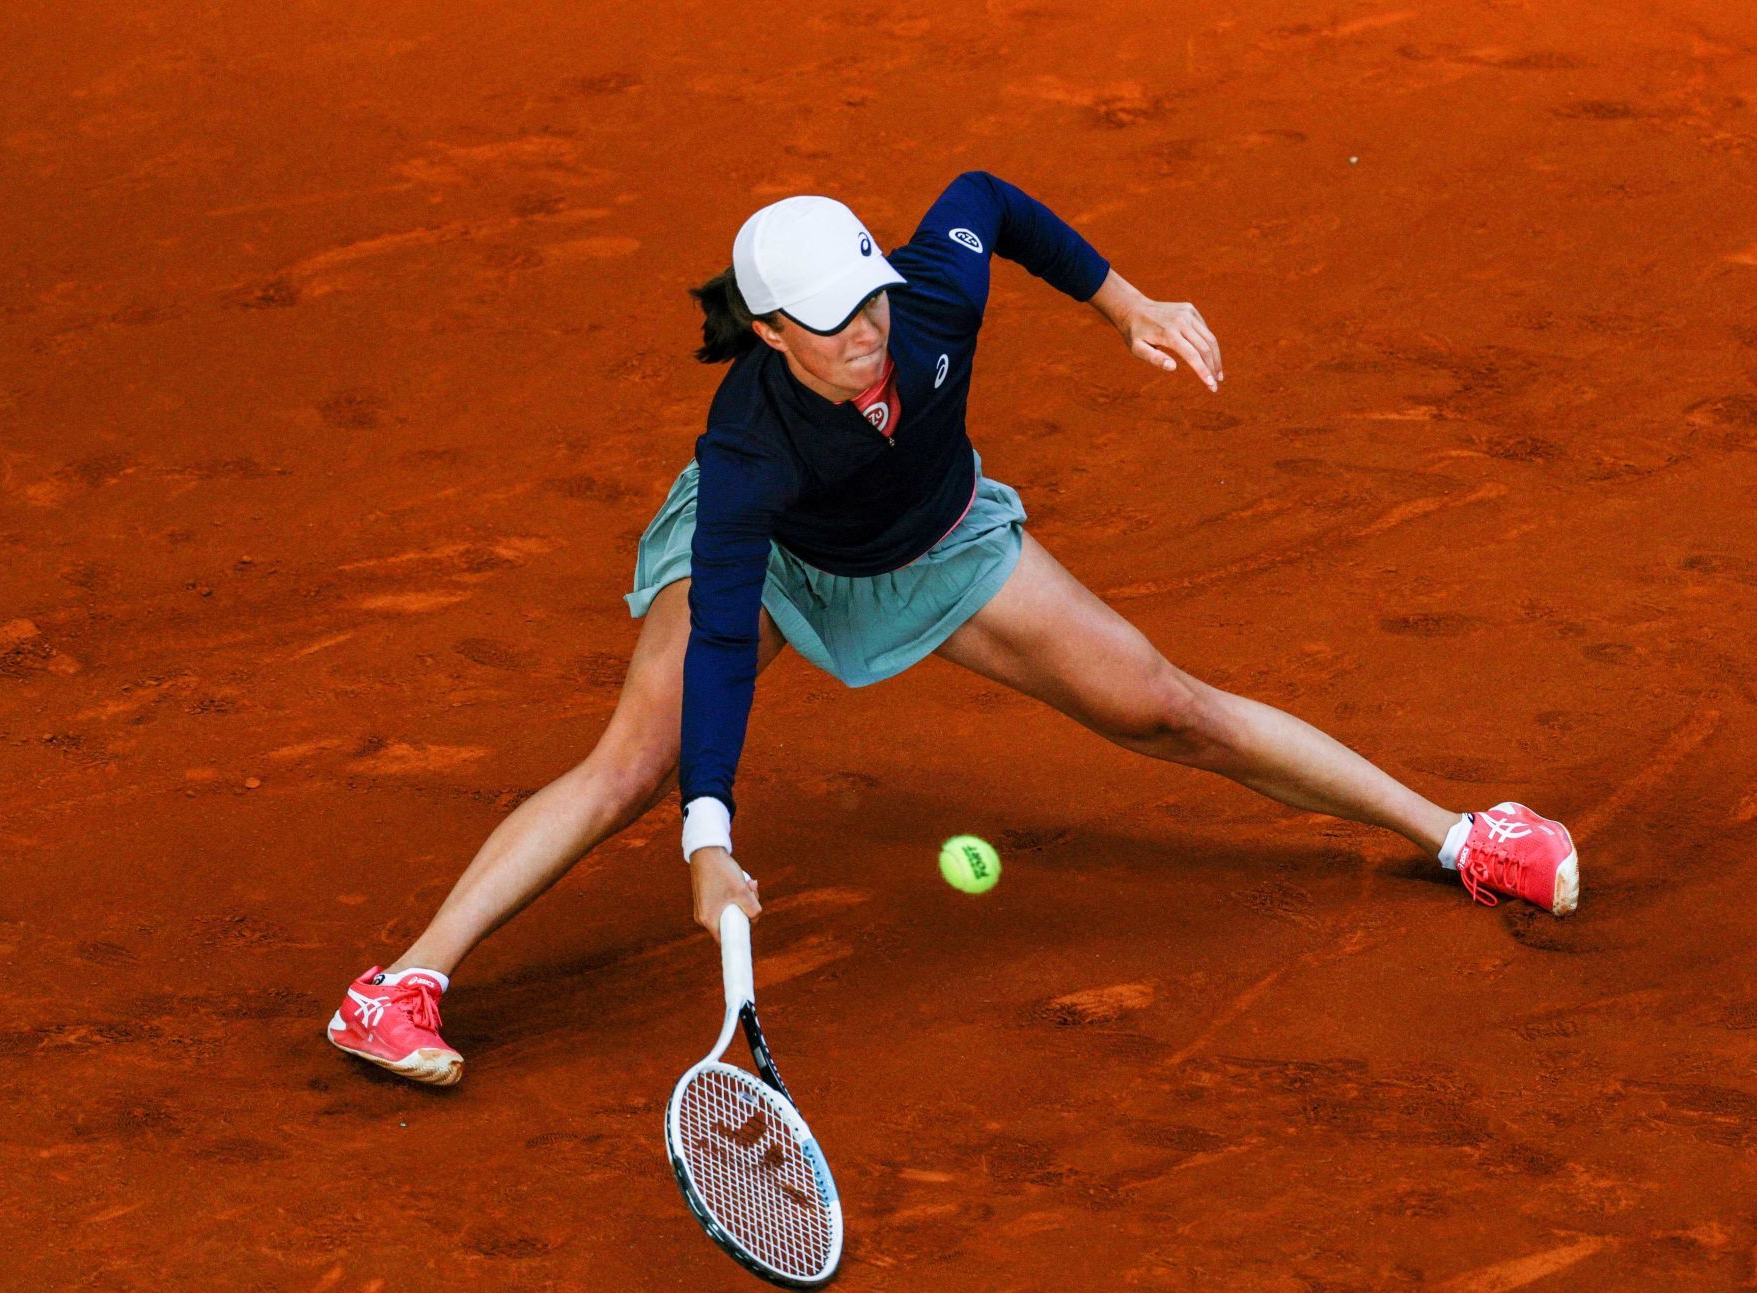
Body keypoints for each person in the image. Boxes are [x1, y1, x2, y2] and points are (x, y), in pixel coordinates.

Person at [326, 172, 1580, 1086]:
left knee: (1163, 704)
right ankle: (402, 985)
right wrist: (708, 838)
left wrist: (1122, 302)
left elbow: (989, 194)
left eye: (868, 299)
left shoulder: (925, 302)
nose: (866, 331)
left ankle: (1460, 835)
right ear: (768, 334)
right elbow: (719, 647)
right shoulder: (747, 452)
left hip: (935, 543)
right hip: (776, 561)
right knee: (629, 768)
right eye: (828, 320)